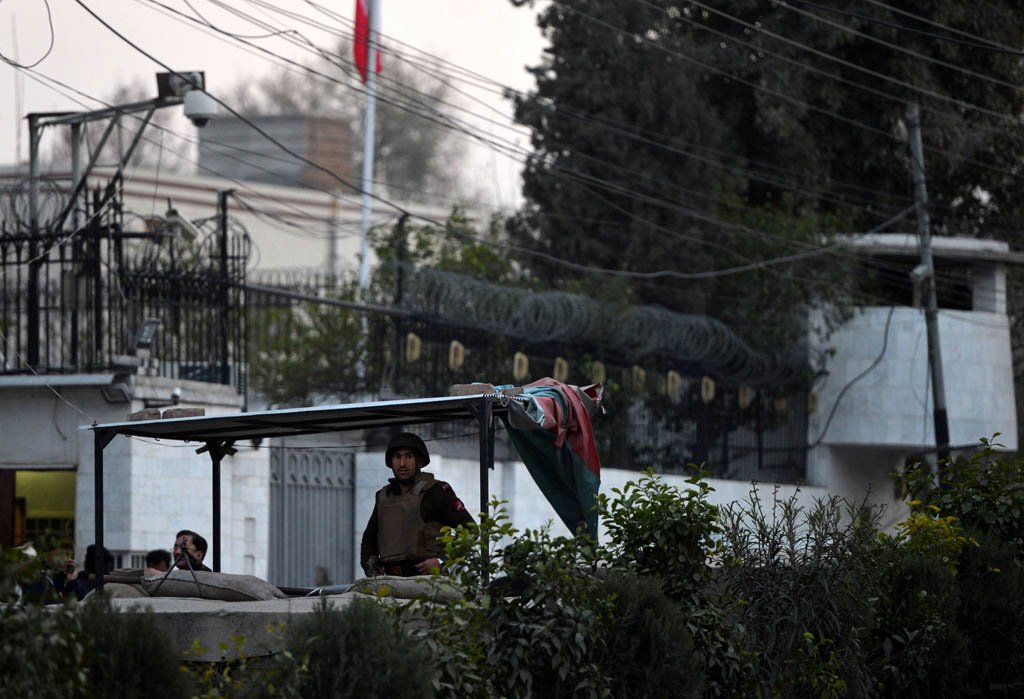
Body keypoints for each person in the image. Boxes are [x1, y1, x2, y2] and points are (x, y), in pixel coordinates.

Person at [360, 432, 475, 577]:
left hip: (429, 581)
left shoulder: (436, 492)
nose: (402, 463)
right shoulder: (384, 497)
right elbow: (369, 540)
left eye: (408, 456)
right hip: (391, 582)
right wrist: (371, 568)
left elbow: (470, 530)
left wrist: (442, 561)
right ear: (391, 461)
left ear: (419, 461)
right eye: (397, 457)